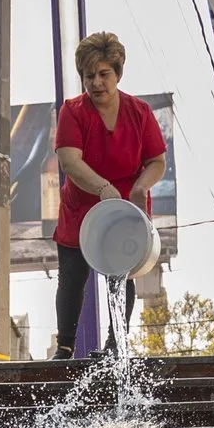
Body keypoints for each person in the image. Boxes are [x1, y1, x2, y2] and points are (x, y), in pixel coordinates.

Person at [50, 31, 168, 359]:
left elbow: (157, 161)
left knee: (120, 272)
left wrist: (141, 187)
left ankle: (116, 345)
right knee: (72, 278)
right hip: (82, 207)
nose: (97, 83)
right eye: (90, 76)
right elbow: (69, 160)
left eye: (104, 74)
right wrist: (102, 187)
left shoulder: (140, 112)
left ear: (118, 73)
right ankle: (64, 347)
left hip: (124, 206)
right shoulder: (72, 111)